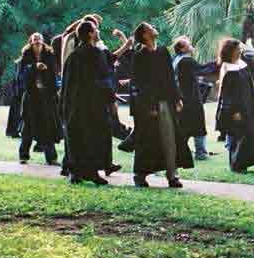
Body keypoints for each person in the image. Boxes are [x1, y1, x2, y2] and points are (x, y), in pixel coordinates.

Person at [130, 24, 192, 188]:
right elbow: (139, 83)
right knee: (147, 140)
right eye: (150, 28)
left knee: (169, 138)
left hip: (166, 101)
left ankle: (172, 175)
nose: (154, 28)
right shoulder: (139, 56)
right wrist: (148, 106)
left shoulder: (163, 51)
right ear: (144, 34)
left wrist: (177, 98)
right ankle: (140, 174)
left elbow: (170, 76)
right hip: (148, 104)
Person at [60, 20, 115, 185]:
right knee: (94, 137)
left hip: (75, 103)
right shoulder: (96, 54)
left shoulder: (74, 56)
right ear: (91, 33)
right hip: (93, 103)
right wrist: (110, 99)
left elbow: (66, 83)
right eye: (95, 29)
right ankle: (92, 172)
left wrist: (64, 105)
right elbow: (104, 78)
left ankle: (75, 172)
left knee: (77, 137)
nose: (97, 31)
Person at [215, 37, 254, 173]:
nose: (240, 51)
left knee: (250, 135)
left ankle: (247, 162)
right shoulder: (227, 68)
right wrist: (234, 111)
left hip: (247, 106)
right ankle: (236, 165)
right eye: (238, 49)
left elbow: (249, 85)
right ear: (231, 51)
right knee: (238, 137)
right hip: (236, 109)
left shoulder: (242, 64)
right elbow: (227, 94)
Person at [17, 33, 61, 165]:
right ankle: (23, 156)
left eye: (39, 40)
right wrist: (34, 67)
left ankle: (51, 158)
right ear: (31, 42)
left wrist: (45, 70)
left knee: (47, 126)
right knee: (27, 127)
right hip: (31, 96)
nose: (37, 42)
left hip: (46, 96)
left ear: (43, 42)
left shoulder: (49, 55)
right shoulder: (26, 56)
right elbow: (21, 75)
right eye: (34, 40)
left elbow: (54, 73)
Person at [172, 35, 217, 162]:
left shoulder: (177, 59)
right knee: (198, 125)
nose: (191, 46)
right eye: (188, 44)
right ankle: (200, 153)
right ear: (182, 48)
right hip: (190, 98)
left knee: (184, 126)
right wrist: (218, 63)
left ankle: (179, 151)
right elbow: (202, 70)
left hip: (182, 97)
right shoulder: (187, 61)